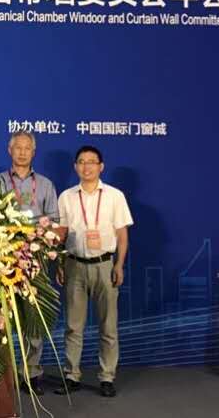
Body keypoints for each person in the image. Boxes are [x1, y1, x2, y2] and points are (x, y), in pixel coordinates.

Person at [54, 145, 133, 398]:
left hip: (104, 265)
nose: (86, 166)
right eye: (81, 161)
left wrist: (119, 264)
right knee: (73, 326)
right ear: (75, 166)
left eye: (91, 162)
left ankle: (107, 377)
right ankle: (72, 375)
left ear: (101, 166)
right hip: (74, 265)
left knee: (108, 326)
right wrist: (59, 263)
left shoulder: (114, 196)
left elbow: (122, 235)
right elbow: (61, 234)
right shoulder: (66, 197)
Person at [0, 130, 59, 395]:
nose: (22, 152)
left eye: (27, 148)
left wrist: (38, 235)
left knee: (33, 317)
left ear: (33, 152)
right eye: (18, 147)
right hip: (3, 258)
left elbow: (54, 222)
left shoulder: (46, 185)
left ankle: (31, 372)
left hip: (35, 259)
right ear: (10, 150)